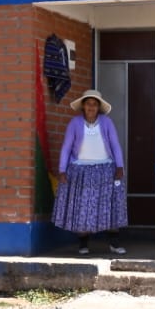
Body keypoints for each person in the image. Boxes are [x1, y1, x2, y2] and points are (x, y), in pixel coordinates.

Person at [53, 89, 128, 255]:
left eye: (94, 104)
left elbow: (115, 145)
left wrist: (119, 166)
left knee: (110, 207)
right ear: (83, 106)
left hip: (106, 169)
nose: (91, 107)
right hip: (80, 171)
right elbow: (66, 147)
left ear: (99, 107)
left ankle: (114, 244)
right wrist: (62, 170)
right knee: (83, 208)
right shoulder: (74, 123)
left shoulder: (107, 122)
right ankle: (83, 245)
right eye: (88, 104)